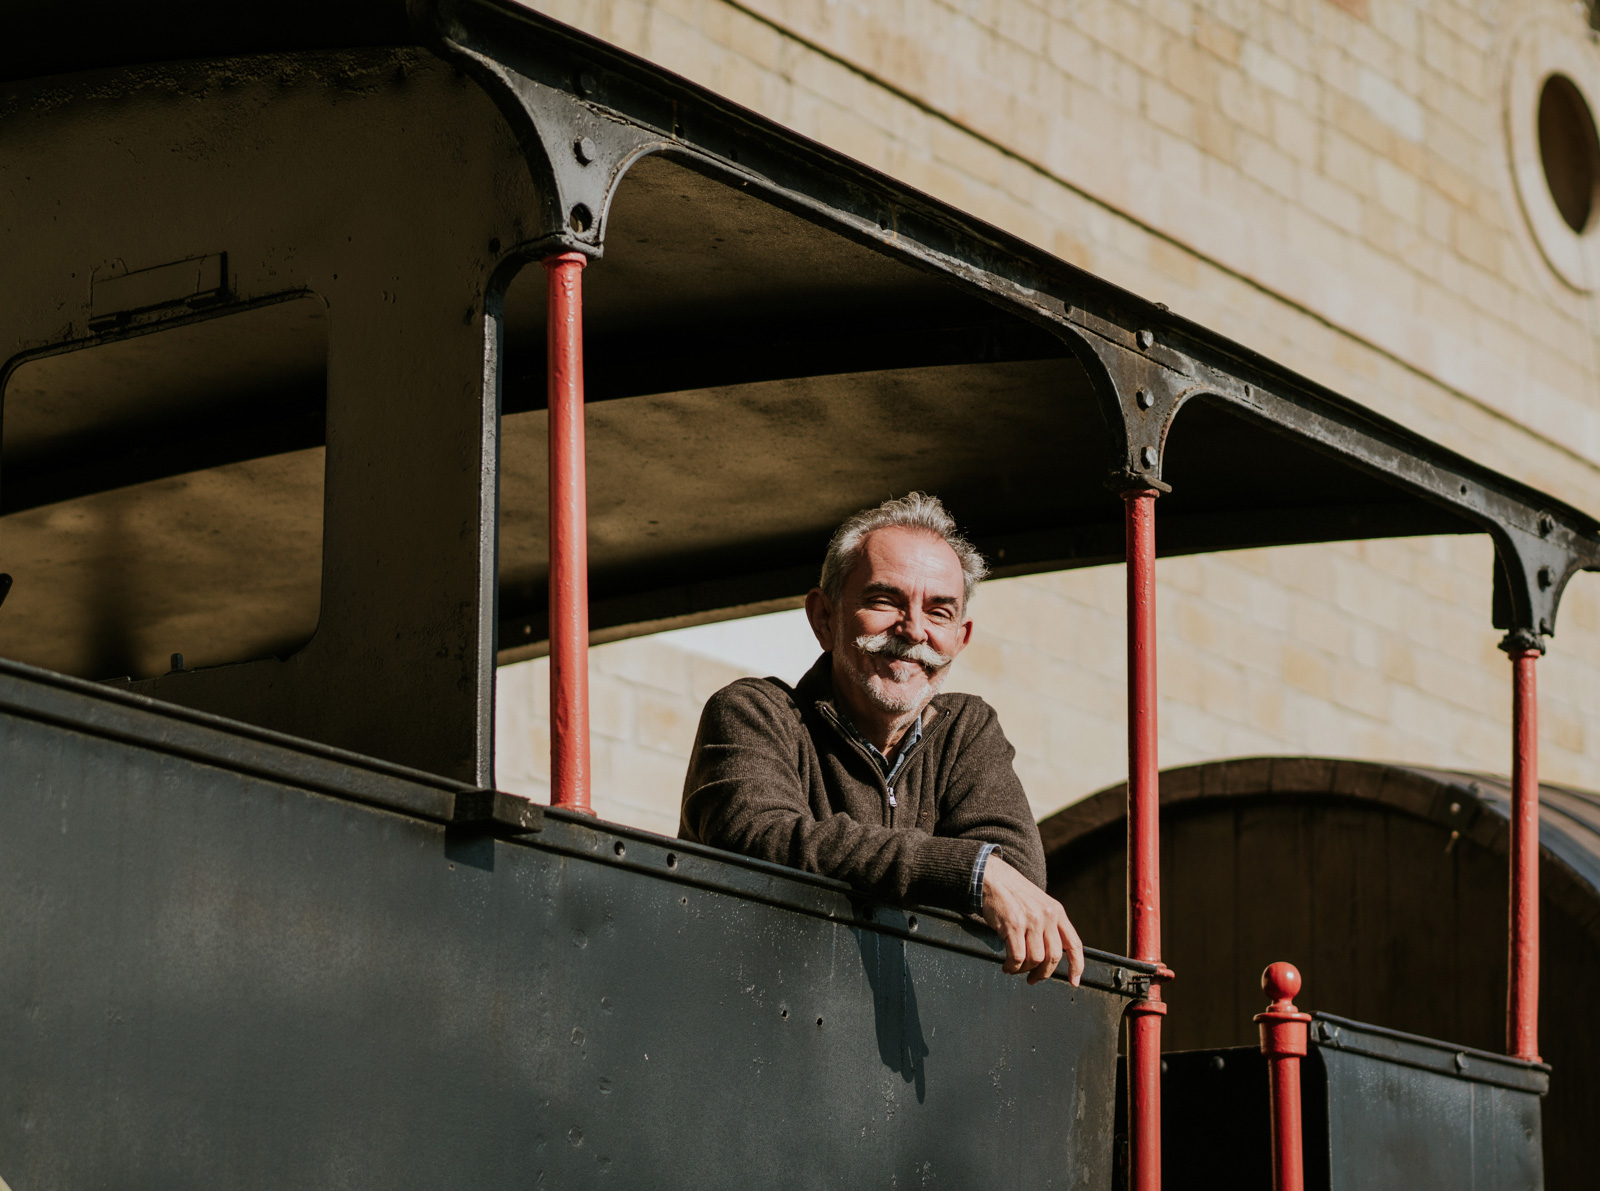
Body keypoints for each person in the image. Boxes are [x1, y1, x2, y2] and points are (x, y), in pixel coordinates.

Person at [679, 492, 1085, 986]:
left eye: (939, 612)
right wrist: (969, 873)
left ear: (961, 637)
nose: (914, 630)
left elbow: (1015, 875)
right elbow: (762, 839)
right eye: (884, 600)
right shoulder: (754, 713)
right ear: (824, 618)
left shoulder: (967, 730)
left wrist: (982, 876)